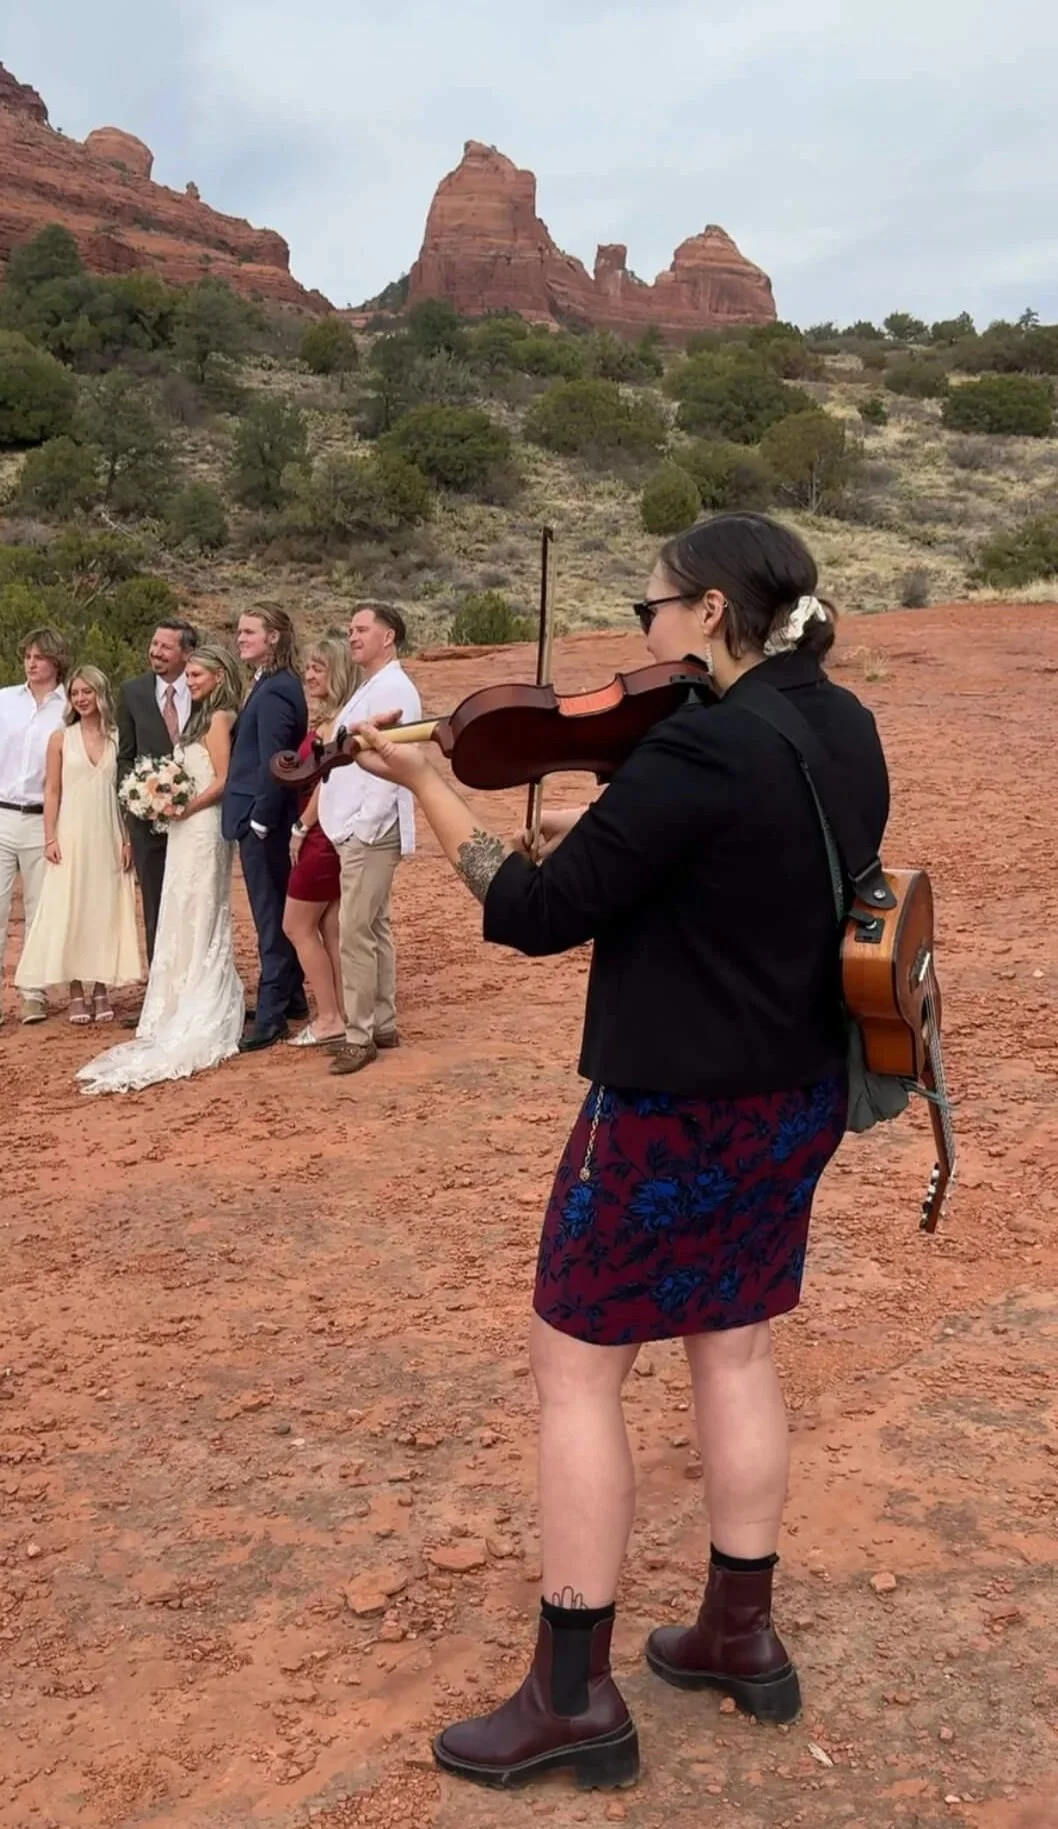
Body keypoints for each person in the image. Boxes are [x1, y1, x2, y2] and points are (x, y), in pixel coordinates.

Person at [349, 512, 889, 1792]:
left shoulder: (698, 744)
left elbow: (535, 912)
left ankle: (574, 1693)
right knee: (734, 1343)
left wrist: (430, 788)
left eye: (651, 609)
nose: (641, 635)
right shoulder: (843, 723)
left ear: (711, 612)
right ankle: (740, 1633)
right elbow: (736, 878)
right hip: (796, 1092)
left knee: (577, 1369)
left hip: (670, 1106)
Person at [77, 645, 246, 1095]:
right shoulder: (198, 718)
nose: (189, 682)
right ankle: (175, 997)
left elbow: (225, 779)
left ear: (219, 675)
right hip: (183, 827)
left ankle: (202, 995)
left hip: (204, 827)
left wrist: (187, 806)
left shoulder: (220, 719)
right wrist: (161, 798)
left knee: (201, 907)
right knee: (178, 906)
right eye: (188, 676)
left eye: (197, 675)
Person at [317, 603, 422, 1076]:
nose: (353, 636)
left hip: (370, 830)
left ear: (389, 636)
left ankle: (359, 1036)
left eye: (362, 629)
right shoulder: (374, 685)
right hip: (359, 827)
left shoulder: (395, 688)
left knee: (355, 930)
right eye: (351, 630)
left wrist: (365, 824)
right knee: (373, 925)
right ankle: (382, 1023)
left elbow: (393, 761)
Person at [14, 665, 142, 1024]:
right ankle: (74, 991)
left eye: (88, 692)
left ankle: (100, 988)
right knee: (70, 908)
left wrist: (128, 838)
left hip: (109, 832)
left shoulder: (118, 738)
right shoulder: (60, 739)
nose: (82, 699)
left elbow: (126, 792)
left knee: (103, 908)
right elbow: (52, 791)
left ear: (101, 694)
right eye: (75, 693)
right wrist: (49, 837)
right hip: (70, 833)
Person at [0, 627, 70, 1039]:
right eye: (27, 656)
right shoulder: (2, 701)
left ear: (56, 661)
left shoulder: (70, 706)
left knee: (39, 910)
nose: (31, 663)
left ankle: (33, 992)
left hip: (42, 821)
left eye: (40, 657)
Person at [222, 606, 308, 1052]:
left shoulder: (277, 690)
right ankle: (291, 998)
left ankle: (272, 1014)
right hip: (260, 817)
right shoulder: (267, 683)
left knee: (271, 916)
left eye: (249, 632)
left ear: (274, 637)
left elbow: (278, 760)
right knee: (273, 910)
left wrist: (260, 819)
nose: (240, 638)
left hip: (264, 821)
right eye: (239, 631)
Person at [284, 637, 362, 1048]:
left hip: (319, 836)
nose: (310, 675)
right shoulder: (336, 718)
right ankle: (343, 1013)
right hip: (329, 834)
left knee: (296, 926)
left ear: (339, 673)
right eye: (308, 668)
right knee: (330, 926)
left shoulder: (335, 724)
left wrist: (301, 826)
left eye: (319, 669)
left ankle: (329, 1017)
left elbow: (326, 783)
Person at [116, 619, 201, 971]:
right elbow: (125, 755)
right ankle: (160, 985)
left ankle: (196, 977)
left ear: (187, 653)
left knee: (196, 902)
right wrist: (136, 797)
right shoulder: (132, 692)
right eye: (154, 644)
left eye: (166, 647)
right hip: (147, 821)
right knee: (155, 903)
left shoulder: (203, 690)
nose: (156, 652)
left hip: (198, 817)